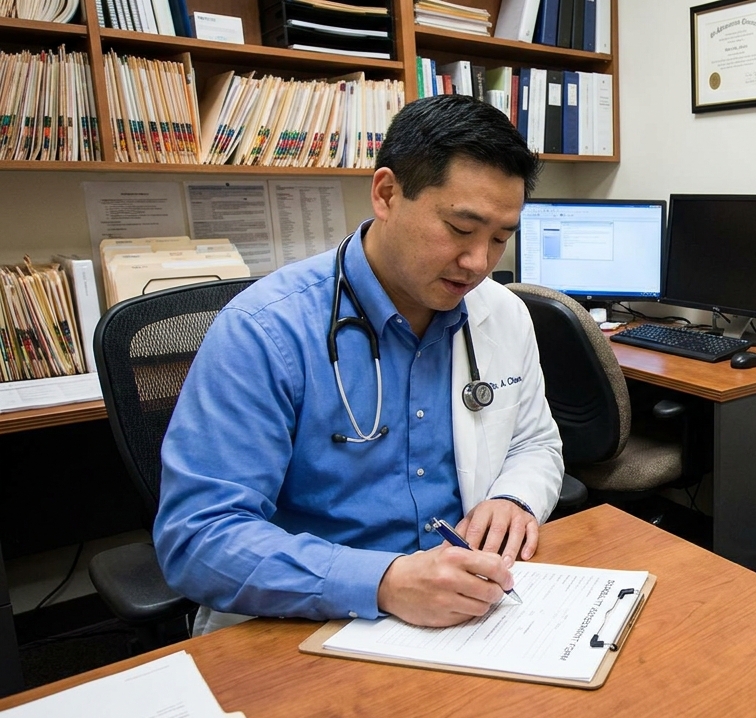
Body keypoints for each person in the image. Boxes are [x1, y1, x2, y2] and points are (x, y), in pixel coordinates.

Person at [155, 95, 563, 635]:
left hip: (466, 607)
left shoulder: (501, 312)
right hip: (305, 619)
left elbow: (535, 442)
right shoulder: (266, 330)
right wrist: (384, 582)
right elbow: (199, 537)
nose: (478, 263)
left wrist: (514, 497)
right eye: (462, 230)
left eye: (500, 239)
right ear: (387, 194)